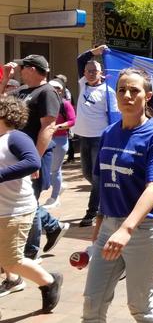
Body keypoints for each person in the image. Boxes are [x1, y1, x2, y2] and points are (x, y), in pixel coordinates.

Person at [82, 68, 153, 322]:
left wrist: (126, 229)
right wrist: (101, 219)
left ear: (148, 96)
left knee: (140, 307)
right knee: (92, 303)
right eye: (122, 90)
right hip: (109, 227)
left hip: (142, 230)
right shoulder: (108, 132)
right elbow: (104, 180)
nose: (127, 95)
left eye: (134, 90)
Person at [1, 55, 70, 260]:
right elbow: (2, 106)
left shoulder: (47, 92)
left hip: (33, 155)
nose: (20, 71)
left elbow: (47, 127)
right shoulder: (22, 91)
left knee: (27, 202)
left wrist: (36, 161)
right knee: (24, 199)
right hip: (17, 154)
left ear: (31, 69)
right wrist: (5, 80)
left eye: (23, 67)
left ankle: (30, 253)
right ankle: (53, 226)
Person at [0, 96, 63, 311]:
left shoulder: (15, 137)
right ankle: (15, 280)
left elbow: (32, 161)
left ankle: (49, 281)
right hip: (2, 209)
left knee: (12, 260)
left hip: (14, 210)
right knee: (6, 259)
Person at [72, 45, 118, 227]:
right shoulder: (83, 83)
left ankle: (91, 213)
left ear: (101, 73)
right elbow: (80, 59)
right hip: (83, 137)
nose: (91, 74)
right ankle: (107, 191)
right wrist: (95, 51)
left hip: (99, 139)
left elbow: (113, 118)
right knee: (88, 174)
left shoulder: (108, 92)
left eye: (94, 71)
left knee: (97, 177)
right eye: (88, 71)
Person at [43, 78, 76, 208]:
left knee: (54, 170)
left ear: (62, 91)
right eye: (52, 88)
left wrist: (59, 127)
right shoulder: (42, 103)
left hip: (60, 139)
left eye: (58, 89)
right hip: (44, 138)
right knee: (46, 169)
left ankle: (54, 198)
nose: (55, 91)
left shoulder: (65, 104)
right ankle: (59, 186)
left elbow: (72, 121)